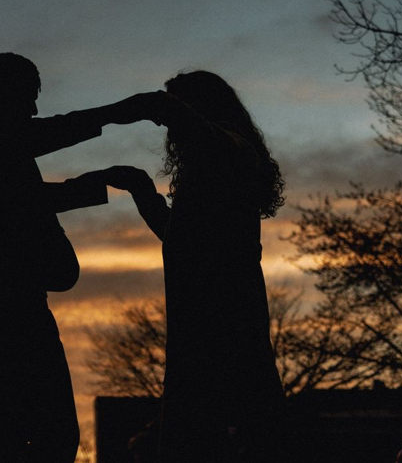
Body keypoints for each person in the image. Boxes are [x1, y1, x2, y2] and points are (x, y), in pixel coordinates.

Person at [0, 52, 163, 463]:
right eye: (28, 97)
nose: (33, 108)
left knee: (13, 435)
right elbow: (28, 185)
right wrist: (116, 116)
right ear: (2, 92)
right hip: (2, 301)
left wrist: (98, 180)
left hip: (2, 299)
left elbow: (23, 196)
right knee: (41, 434)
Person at [104, 70, 293, 463]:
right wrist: (143, 191)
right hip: (203, 312)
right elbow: (181, 238)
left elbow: (195, 129)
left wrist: (154, 106)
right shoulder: (213, 163)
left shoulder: (230, 151)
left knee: (232, 422)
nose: (166, 127)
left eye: (177, 111)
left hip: (224, 311)